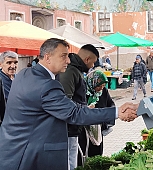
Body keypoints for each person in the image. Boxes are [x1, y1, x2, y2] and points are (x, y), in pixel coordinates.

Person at [0, 38, 138, 170]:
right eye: (63, 56)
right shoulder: (46, 86)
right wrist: (117, 112)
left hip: (12, 149)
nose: (68, 60)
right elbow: (74, 113)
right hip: (28, 156)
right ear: (47, 57)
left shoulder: (25, 73)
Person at [58, 44, 100, 170]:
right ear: (87, 59)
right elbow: (65, 101)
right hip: (68, 128)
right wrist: (84, 110)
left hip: (74, 125)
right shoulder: (70, 71)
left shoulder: (76, 70)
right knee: (69, 161)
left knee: (72, 158)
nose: (93, 66)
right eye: (93, 63)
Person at [78, 70, 114, 165]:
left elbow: (110, 104)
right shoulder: (82, 91)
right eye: (99, 86)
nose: (101, 88)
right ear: (92, 82)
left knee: (97, 151)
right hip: (84, 128)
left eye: (103, 86)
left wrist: (109, 118)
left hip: (98, 127)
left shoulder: (103, 92)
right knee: (85, 151)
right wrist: (87, 109)